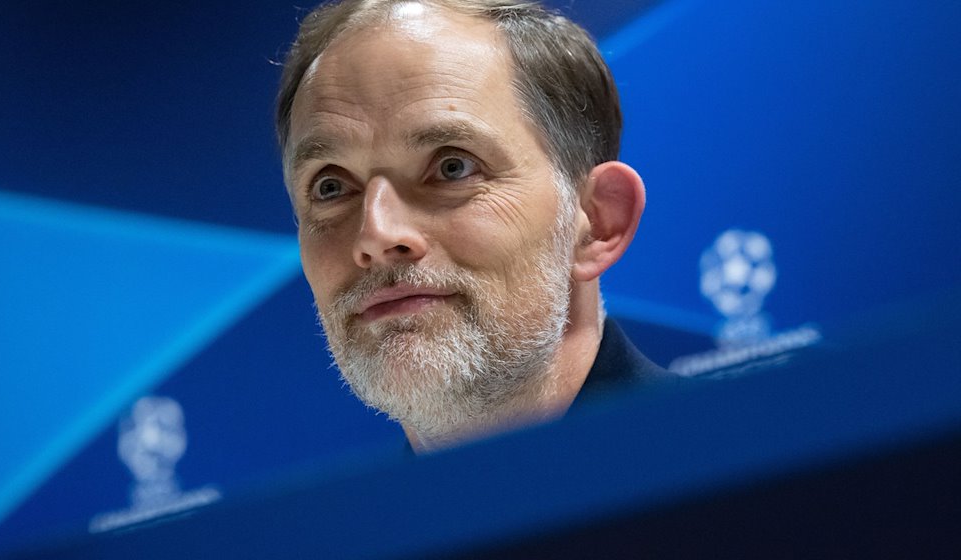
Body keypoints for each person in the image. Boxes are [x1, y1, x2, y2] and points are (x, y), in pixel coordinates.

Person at [275, 0, 680, 453]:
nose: (377, 235)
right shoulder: (339, 524)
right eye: (330, 188)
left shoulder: (753, 494)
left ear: (598, 223)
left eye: (452, 167)